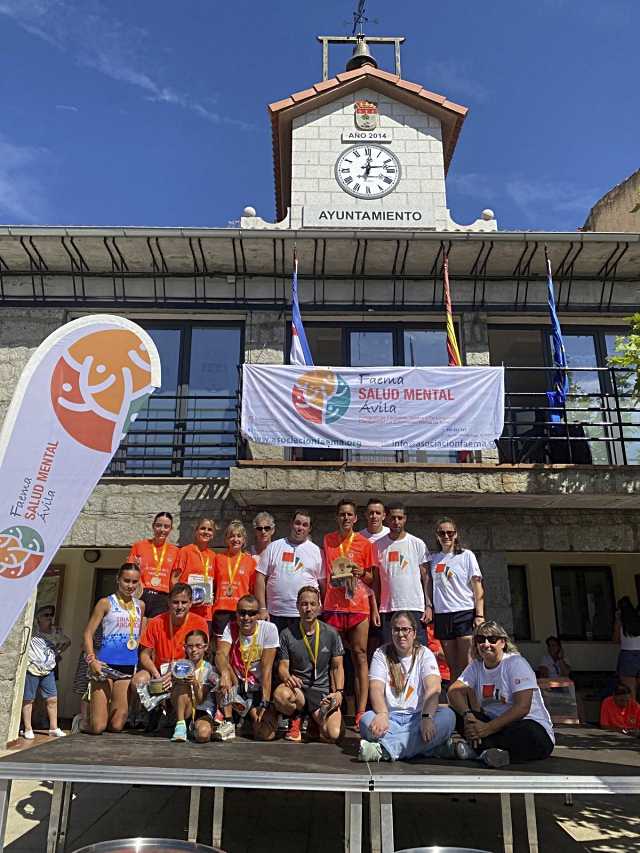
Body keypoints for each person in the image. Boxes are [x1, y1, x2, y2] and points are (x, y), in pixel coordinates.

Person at [448, 620, 555, 767]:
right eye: (480, 640)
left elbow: (522, 708)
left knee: (526, 730)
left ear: (503, 643)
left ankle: (480, 751)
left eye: (492, 639)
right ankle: (493, 754)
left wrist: (487, 729)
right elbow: (453, 691)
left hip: (527, 729)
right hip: (494, 728)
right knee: (456, 714)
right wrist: (467, 716)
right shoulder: (476, 666)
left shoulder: (515, 663)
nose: (486, 644)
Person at [358, 611, 455, 762]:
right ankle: (430, 747)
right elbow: (376, 688)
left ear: (414, 632)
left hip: (418, 717)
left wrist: (426, 717)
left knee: (448, 717)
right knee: (366, 720)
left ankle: (385, 750)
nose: (401, 634)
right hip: (390, 720)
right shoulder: (381, 654)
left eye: (405, 629)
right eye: (396, 630)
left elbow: (433, 688)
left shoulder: (425, 653)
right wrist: (383, 714)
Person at [322, 499, 377, 727]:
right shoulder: (328, 540)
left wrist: (362, 572)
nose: (346, 518)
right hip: (334, 605)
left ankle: (361, 710)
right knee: (333, 657)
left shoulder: (365, 543)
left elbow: (371, 578)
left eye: (349, 515)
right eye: (342, 514)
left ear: (356, 518)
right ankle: (334, 704)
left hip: (358, 605)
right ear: (338, 517)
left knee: (360, 655)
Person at [274, 586, 345, 743]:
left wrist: (338, 692)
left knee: (333, 734)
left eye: (313, 604)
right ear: (297, 606)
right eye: (304, 604)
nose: (308, 608)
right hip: (299, 689)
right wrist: (287, 677)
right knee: (281, 696)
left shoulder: (331, 633)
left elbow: (337, 667)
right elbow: (283, 666)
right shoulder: (287, 634)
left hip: (321, 691)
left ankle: (314, 720)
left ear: (319, 607)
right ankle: (296, 717)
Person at [83, 563, 145, 735]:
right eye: (126, 581)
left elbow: (139, 637)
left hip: (126, 668)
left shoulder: (140, 605)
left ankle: (100, 710)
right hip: (103, 666)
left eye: (134, 582)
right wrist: (91, 660)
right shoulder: (105, 603)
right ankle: (83, 720)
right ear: (118, 580)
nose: (130, 586)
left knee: (117, 725)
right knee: (98, 727)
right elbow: (88, 634)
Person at [215, 594, 280, 742]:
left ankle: (255, 716)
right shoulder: (231, 627)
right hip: (238, 685)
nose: (246, 617)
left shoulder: (269, 629)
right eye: (242, 613)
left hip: (258, 687)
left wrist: (264, 702)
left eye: (251, 613)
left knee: (265, 735)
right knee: (219, 675)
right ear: (236, 614)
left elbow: (267, 669)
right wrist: (225, 673)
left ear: (258, 615)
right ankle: (229, 721)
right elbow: (220, 654)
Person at [427, 517, 485, 681]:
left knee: (468, 664)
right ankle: (458, 705)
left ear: (456, 534)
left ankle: (473, 702)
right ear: (437, 536)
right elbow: (429, 586)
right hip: (443, 615)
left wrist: (479, 615)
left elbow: (477, 586)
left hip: (464, 612)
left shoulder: (467, 555)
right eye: (442, 533)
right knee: (453, 667)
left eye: (450, 532)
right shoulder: (433, 559)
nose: (446, 536)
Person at [133, 583, 209, 696]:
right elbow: (144, 655)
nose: (179, 607)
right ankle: (142, 711)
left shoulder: (200, 623)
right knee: (138, 681)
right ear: (168, 602)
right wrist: (157, 675)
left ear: (190, 603)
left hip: (186, 670)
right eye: (175, 602)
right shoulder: (156, 622)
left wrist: (175, 673)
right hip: (159, 672)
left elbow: (199, 655)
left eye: (184, 602)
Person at [256, 510, 324, 633]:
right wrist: (262, 608)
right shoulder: (273, 547)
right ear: (291, 524)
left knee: (303, 651)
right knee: (276, 651)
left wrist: (321, 610)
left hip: (306, 614)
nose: (300, 528)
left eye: (305, 525)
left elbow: (323, 584)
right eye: (297, 523)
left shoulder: (317, 551)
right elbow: (260, 577)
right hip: (275, 614)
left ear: (309, 529)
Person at [375, 504, 430, 646]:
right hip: (388, 608)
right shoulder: (377, 545)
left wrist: (429, 606)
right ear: (386, 519)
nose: (396, 521)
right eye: (393, 518)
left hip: (414, 606)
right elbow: (376, 580)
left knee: (418, 649)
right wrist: (375, 607)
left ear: (405, 519)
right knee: (391, 652)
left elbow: (426, 577)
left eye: (400, 518)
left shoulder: (417, 543)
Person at [22, 606, 70, 739]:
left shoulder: (55, 632)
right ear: (38, 618)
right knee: (29, 699)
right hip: (33, 668)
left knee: (52, 699)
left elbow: (67, 642)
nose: (49, 618)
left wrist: (58, 652)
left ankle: (53, 727)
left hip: (48, 669)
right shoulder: (33, 630)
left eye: (51, 615)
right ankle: (28, 728)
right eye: (46, 615)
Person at [210, 521, 256, 644]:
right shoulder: (218, 558)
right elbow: (212, 584)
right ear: (226, 539)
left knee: (240, 646)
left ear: (244, 539)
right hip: (222, 609)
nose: (235, 539)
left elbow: (252, 589)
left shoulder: (250, 561)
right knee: (221, 649)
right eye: (232, 536)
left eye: (239, 536)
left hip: (241, 610)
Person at [128, 512, 180, 618]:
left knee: (156, 631)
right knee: (136, 630)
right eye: (159, 525)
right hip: (141, 593)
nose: (162, 529)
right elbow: (130, 572)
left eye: (166, 527)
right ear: (153, 526)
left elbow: (174, 580)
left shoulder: (175, 551)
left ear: (171, 529)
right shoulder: (139, 546)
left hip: (162, 597)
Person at [171, 629, 218, 743]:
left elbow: (200, 700)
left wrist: (195, 683)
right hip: (184, 710)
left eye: (198, 646)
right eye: (190, 646)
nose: (194, 650)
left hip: (201, 711)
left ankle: (198, 729)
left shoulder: (209, 670)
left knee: (203, 735)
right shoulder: (179, 666)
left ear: (205, 647)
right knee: (181, 684)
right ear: (185, 647)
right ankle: (181, 726)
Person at [175, 518, 217, 630]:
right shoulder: (185, 551)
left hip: (206, 611)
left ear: (213, 534)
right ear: (196, 531)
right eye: (202, 528)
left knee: (201, 645)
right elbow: (174, 580)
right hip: (187, 610)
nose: (206, 532)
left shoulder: (213, 556)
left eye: (209, 529)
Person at [613, 596, 640, 700]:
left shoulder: (620, 622)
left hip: (627, 655)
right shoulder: (637, 621)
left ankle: (633, 713)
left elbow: (615, 640)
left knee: (630, 690)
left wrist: (617, 620)